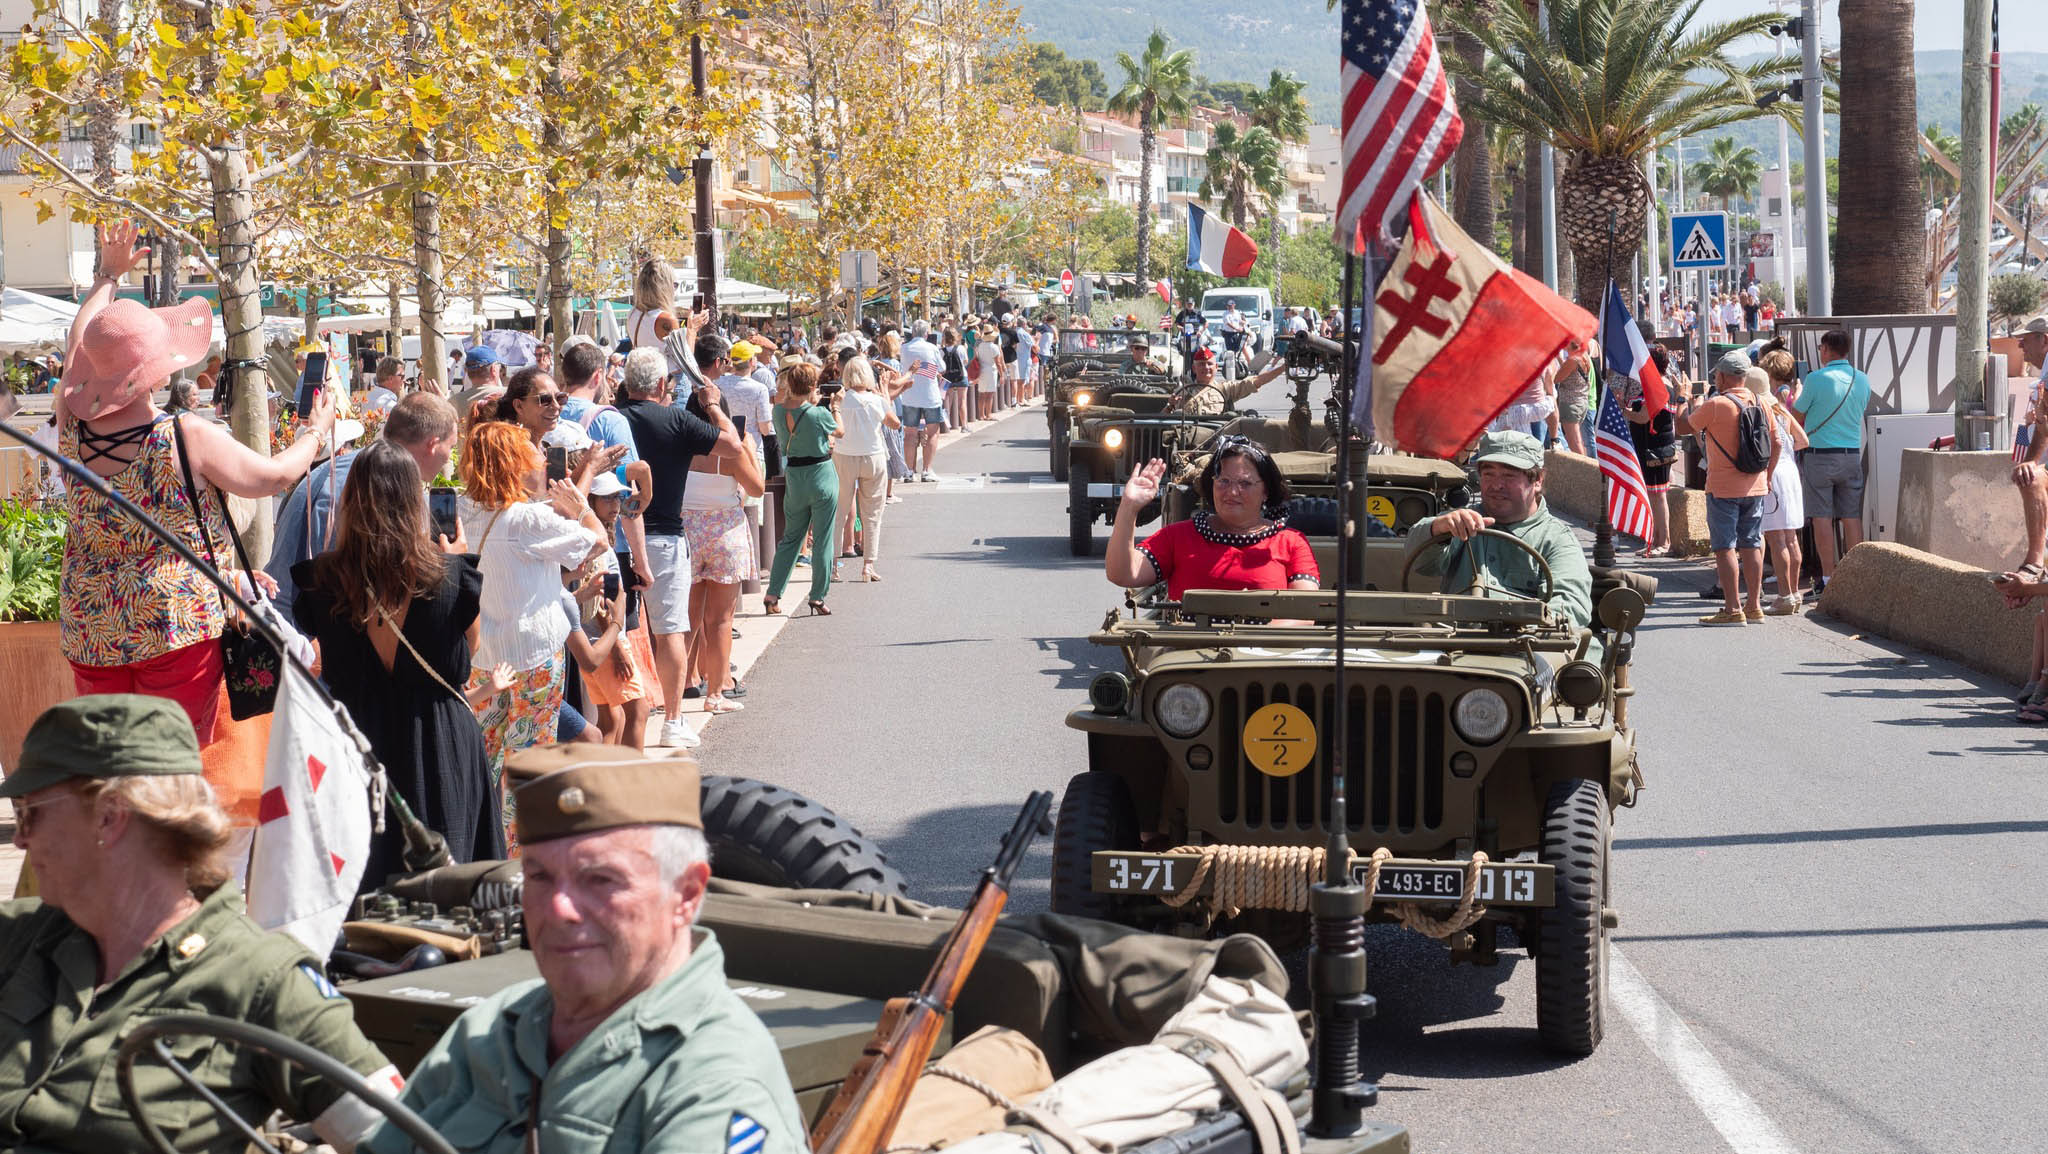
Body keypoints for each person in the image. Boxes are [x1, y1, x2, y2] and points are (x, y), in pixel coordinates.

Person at [0, 695, 402, 1154]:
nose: (20, 837)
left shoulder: (260, 981)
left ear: (109, 816)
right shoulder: (24, 937)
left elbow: (400, 1140)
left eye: (30, 812)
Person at [359, 744, 806, 1154]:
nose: (559, 908)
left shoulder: (714, 1078)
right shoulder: (492, 1030)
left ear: (686, 895)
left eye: (600, 880)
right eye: (539, 877)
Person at [59, 220, 336, 745]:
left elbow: (82, 341)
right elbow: (273, 477)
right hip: (175, 621)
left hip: (89, 623)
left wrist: (107, 278)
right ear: (157, 371)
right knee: (173, 760)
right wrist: (314, 433)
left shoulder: (72, 427)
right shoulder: (183, 436)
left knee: (112, 760)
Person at [292, 440, 505, 884]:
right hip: (438, 736)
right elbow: (473, 644)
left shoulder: (323, 581)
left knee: (368, 883)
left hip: (359, 741)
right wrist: (453, 563)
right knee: (453, 888)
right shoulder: (449, 577)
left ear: (352, 501)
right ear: (415, 501)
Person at [458, 420, 609, 842]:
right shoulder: (525, 519)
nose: (543, 458)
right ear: (515, 464)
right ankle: (520, 854)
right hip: (533, 657)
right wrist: (580, 505)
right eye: (535, 453)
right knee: (530, 757)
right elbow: (596, 542)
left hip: (482, 655)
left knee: (486, 755)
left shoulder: (461, 510)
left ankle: (483, 844)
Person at [617, 345, 746, 749]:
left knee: (619, 630)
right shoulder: (675, 419)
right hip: (665, 536)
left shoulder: (614, 419)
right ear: (660, 384)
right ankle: (672, 719)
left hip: (616, 536)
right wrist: (712, 406)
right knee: (671, 630)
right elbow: (733, 445)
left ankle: (630, 713)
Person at [266, 393, 462, 620]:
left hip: (284, 619)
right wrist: (450, 563)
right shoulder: (388, 485)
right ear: (433, 444)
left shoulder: (343, 467)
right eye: (451, 446)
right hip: (311, 635)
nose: (449, 458)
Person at [1404, 430, 1593, 630]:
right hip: (1455, 645)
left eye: (1509, 476)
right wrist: (1437, 529)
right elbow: (1420, 563)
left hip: (1524, 649)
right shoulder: (1462, 523)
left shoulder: (1557, 540)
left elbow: (1570, 609)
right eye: (1488, 474)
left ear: (1537, 480)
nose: (1496, 485)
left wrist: (1522, 630)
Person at [1105, 437, 1319, 598]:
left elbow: (1303, 612)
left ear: (1266, 491)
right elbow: (1123, 574)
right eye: (1223, 481)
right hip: (1186, 652)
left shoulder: (1291, 542)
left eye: (1244, 483)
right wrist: (1129, 507)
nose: (1232, 492)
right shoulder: (1178, 536)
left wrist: (1244, 643)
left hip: (1263, 654)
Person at [680, 376, 765, 714]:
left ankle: (682, 684)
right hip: (725, 534)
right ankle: (716, 692)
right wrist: (746, 446)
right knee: (720, 621)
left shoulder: (679, 444)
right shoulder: (732, 449)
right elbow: (756, 488)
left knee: (686, 619)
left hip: (686, 532)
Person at [1677, 350, 1779, 625]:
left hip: (1723, 487)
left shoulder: (1716, 404)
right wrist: (1767, 476)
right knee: (1752, 544)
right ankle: (1754, 606)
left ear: (1722, 376)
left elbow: (1684, 426)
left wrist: (1684, 399)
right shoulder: (1761, 402)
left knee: (1725, 547)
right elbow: (1777, 442)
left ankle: (1733, 608)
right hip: (1755, 485)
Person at [1785, 329, 1869, 595]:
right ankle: (1856, 576)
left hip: (1820, 455)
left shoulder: (1816, 378)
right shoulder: (1862, 379)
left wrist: (1796, 395)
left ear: (1826, 350)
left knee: (1822, 516)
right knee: (1851, 515)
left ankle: (1828, 578)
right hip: (1851, 454)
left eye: (1822, 348)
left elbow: (1795, 416)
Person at [764, 361, 841, 616]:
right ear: (812, 386)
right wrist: (834, 408)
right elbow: (839, 431)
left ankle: (773, 593)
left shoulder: (777, 411)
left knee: (791, 539)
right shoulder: (819, 413)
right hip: (821, 474)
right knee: (822, 539)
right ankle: (817, 595)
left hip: (795, 476)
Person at [1750, 356, 1808, 615]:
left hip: (1774, 473)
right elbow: (1803, 440)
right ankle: (1793, 593)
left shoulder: (1760, 409)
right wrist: (1787, 456)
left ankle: (1784, 595)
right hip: (1791, 471)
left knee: (1777, 538)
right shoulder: (1782, 409)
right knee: (1791, 538)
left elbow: (1771, 445)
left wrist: (1770, 471)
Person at [834, 355, 899, 584]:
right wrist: (885, 400)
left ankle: (833, 565)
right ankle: (868, 565)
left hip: (844, 455)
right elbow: (894, 423)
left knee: (839, 511)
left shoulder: (840, 399)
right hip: (873, 454)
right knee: (872, 513)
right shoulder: (876, 399)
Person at [1625, 346, 1678, 557]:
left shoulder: (1660, 387)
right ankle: (1654, 540)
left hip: (1656, 447)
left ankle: (1664, 542)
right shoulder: (1655, 385)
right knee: (1652, 494)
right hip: (1648, 445)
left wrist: (1623, 411)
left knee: (1658, 495)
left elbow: (1643, 417)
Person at [1169, 346, 1281, 415]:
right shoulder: (1183, 391)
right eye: (1202, 364)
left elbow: (1256, 381)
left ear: (1216, 367)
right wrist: (1171, 405)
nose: (1206, 367)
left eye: (1209, 364)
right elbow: (1164, 417)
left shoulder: (1225, 389)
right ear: (1194, 368)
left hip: (1215, 436)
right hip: (1187, 435)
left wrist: (1282, 368)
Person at [900, 321, 947, 481]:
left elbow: (903, 369)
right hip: (930, 396)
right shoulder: (933, 348)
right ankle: (927, 470)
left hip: (909, 395)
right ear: (927, 333)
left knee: (909, 434)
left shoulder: (904, 348)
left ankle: (909, 471)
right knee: (932, 431)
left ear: (912, 333)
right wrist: (928, 369)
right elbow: (942, 368)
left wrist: (918, 369)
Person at [972, 322, 1002, 421]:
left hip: (981, 370)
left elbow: (976, 358)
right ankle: (988, 414)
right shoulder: (994, 347)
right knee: (990, 394)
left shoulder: (979, 346)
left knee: (981, 394)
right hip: (991, 370)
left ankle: (981, 415)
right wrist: (1002, 375)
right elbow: (998, 363)